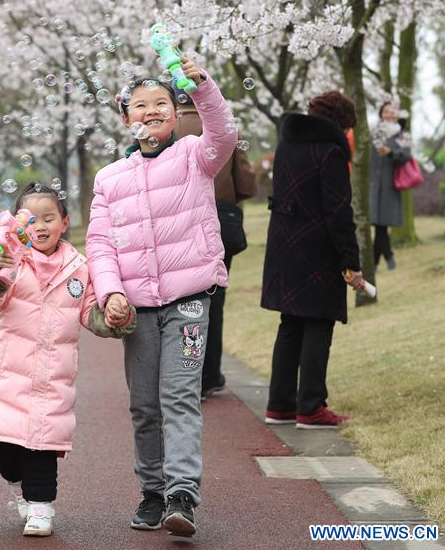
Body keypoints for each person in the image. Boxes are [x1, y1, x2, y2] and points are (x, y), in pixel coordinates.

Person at [86, 58, 237, 538]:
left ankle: (181, 496)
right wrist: (110, 292)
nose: (150, 112)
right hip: (137, 308)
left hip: (190, 300)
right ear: (125, 118)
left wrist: (202, 86)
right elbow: (99, 243)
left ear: (176, 113)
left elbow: (224, 133)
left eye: (160, 104)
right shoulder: (109, 179)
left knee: (179, 396)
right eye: (139, 106)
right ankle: (152, 492)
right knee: (145, 404)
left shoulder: (196, 154)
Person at [0, 182, 131, 537]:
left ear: (64, 222)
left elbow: (91, 313)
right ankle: (21, 485)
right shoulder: (12, 258)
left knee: (41, 443)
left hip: (51, 377)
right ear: (20, 225)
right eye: (32, 219)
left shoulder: (79, 268)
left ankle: (41, 508)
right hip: (4, 370)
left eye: (49, 218)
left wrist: (115, 316)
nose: (40, 226)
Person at [261, 91, 365, 429]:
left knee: (290, 324)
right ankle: (311, 407)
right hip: (318, 248)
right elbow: (338, 211)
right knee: (319, 324)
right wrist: (351, 258)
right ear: (340, 123)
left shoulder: (287, 144)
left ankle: (280, 405)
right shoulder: (331, 152)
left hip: (284, 244)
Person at [175, 89, 257, 399]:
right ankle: (210, 375)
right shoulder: (223, 125)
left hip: (180, 225)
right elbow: (247, 185)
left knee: (185, 303)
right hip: (221, 223)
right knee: (215, 301)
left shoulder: (166, 128)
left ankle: (186, 373)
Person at [369, 101, 412, 271]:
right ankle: (387, 258)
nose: (389, 114)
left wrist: (391, 152)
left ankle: (377, 261)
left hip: (390, 185)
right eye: (386, 111)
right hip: (373, 184)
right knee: (379, 224)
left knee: (381, 224)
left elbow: (406, 155)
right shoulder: (374, 132)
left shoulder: (402, 135)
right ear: (381, 113)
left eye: (393, 112)